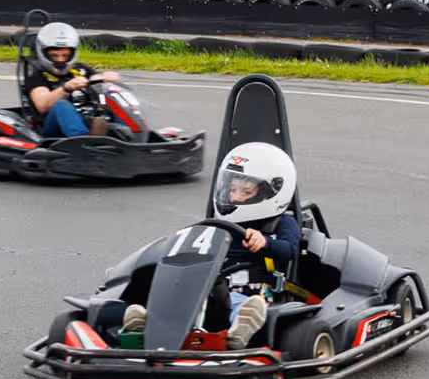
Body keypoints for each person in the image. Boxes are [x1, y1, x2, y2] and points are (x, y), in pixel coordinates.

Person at [123, 142, 301, 349]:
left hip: (253, 293)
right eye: (232, 189)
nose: (235, 197)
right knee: (183, 295)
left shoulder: (280, 223)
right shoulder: (218, 223)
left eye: (246, 192)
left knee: (241, 304)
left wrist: (265, 242)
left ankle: (240, 330)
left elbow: (289, 251)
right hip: (213, 285)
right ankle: (148, 326)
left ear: (270, 192)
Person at [22, 21, 116, 140]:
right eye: (54, 56)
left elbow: (96, 80)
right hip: (51, 126)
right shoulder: (37, 76)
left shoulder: (80, 70)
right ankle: (84, 140)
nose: (60, 60)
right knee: (62, 105)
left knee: (111, 96)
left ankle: (130, 133)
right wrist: (66, 88)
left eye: (65, 55)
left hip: (86, 116)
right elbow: (42, 105)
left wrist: (105, 78)